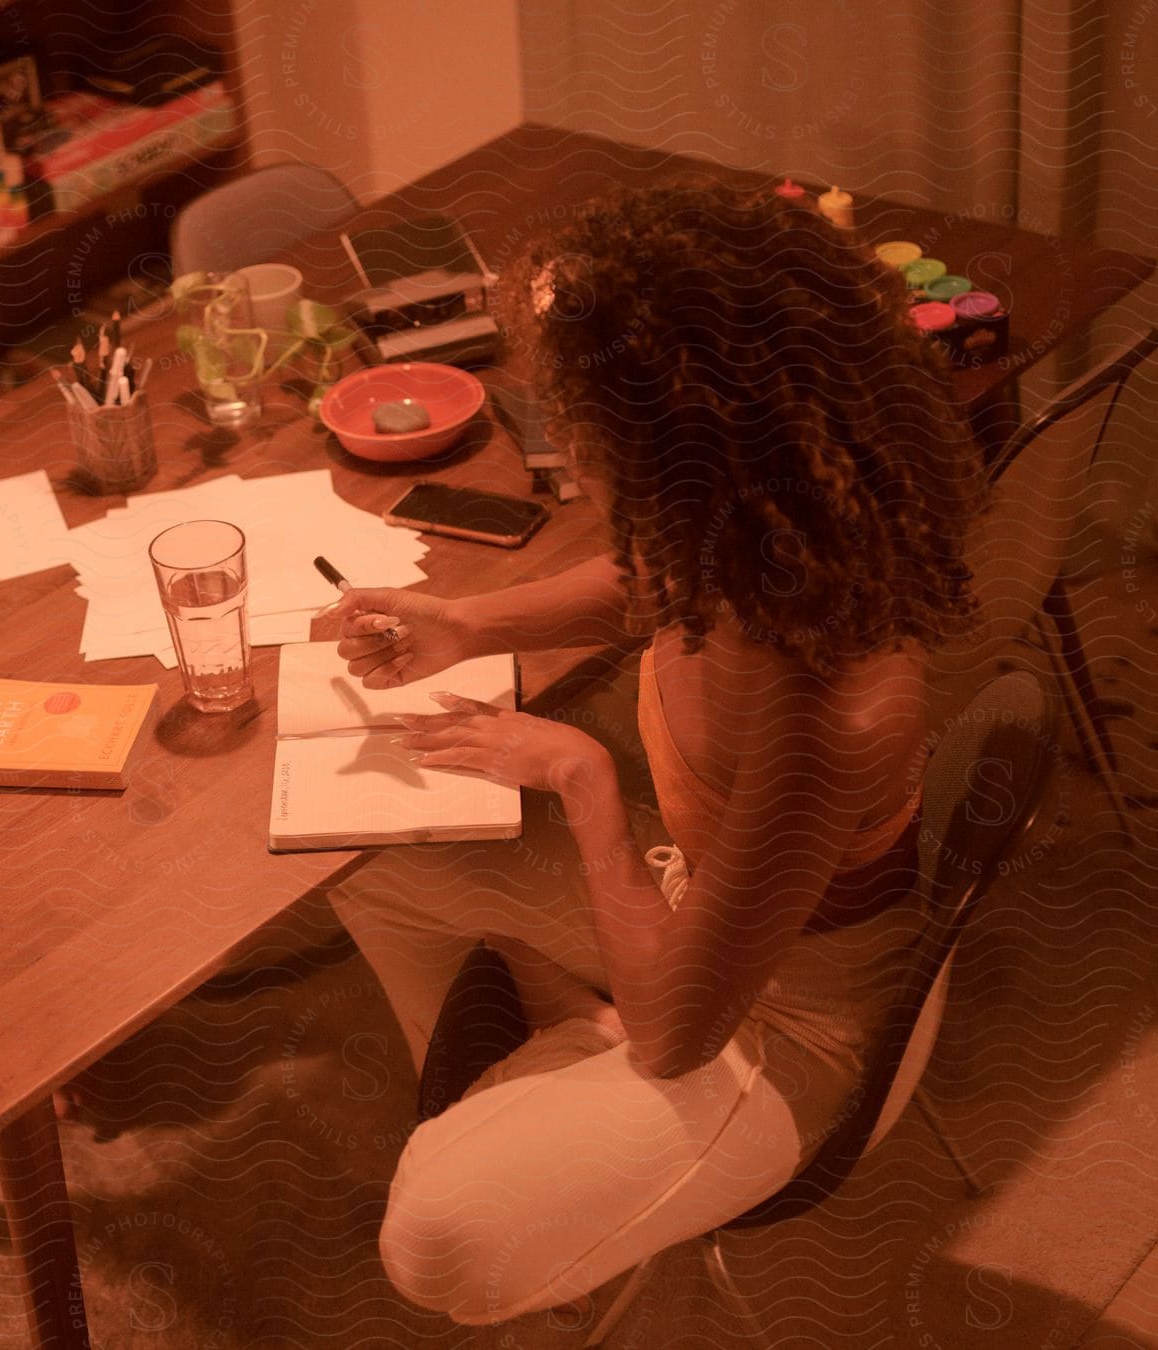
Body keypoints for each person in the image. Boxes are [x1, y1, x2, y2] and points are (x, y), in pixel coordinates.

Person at [323, 182, 986, 1323]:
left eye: (583, 426)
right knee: (376, 867)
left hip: (788, 1028)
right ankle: (540, 1095)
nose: (569, 449)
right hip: (713, 913)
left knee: (436, 1244)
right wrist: (470, 622)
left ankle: (551, 1098)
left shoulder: (820, 710)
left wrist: (582, 782)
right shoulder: (762, 546)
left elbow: (683, 1035)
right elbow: (658, 581)